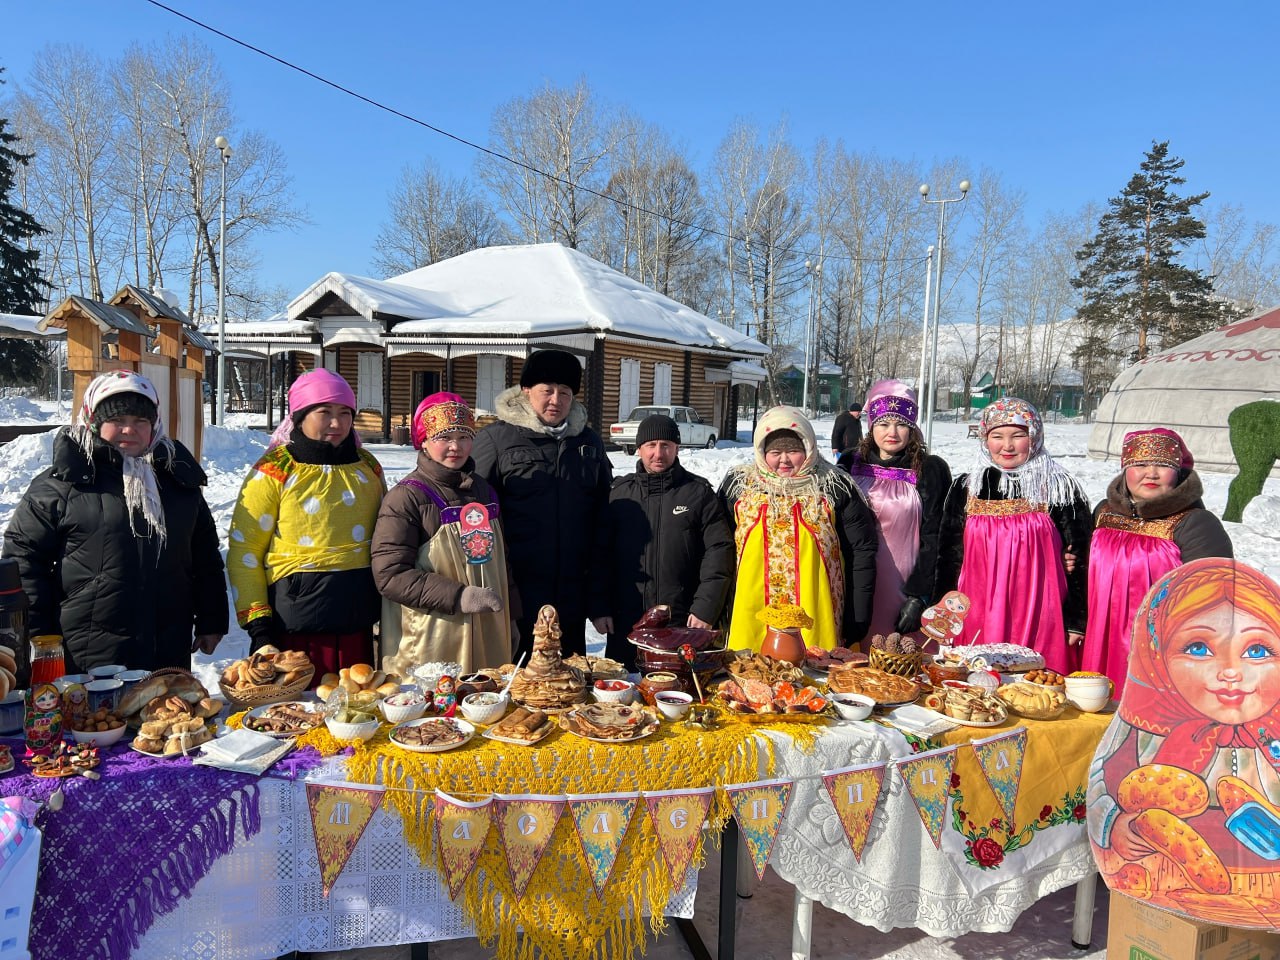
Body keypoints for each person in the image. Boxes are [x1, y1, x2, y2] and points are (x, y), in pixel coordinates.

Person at [1088, 559, 1280, 916]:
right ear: (1158, 656)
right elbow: (1103, 780)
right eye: (1198, 648)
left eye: (1257, 651)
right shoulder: (1145, 731)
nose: (1230, 672)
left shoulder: (1274, 737)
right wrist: (1113, 824)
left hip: (1267, 891)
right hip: (1165, 887)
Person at [3, 370, 227, 672]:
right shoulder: (62, 485)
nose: (128, 430)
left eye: (140, 421)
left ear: (154, 424)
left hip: (166, 648)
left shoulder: (178, 483)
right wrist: (41, 633)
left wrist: (211, 619)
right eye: (116, 420)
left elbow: (205, 558)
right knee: (95, 720)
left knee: (166, 717)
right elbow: (24, 559)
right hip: (86, 653)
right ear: (93, 422)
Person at [226, 369, 384, 677]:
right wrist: (258, 625)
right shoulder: (275, 469)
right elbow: (245, 550)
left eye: (344, 413)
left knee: (357, 706)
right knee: (300, 713)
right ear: (299, 417)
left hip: (358, 619)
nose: (337, 424)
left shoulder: (367, 467)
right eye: (324, 412)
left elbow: (386, 537)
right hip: (297, 624)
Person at [471, 349, 612, 658]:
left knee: (569, 682)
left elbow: (603, 514)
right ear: (526, 391)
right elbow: (474, 513)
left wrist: (597, 589)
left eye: (565, 392)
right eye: (547, 390)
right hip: (517, 591)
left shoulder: (588, 442)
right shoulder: (496, 439)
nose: (556, 400)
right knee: (519, 682)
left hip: (572, 592)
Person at [938, 397, 1091, 673]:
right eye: (997, 436)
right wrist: (945, 612)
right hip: (977, 608)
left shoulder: (1059, 487)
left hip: (1039, 609)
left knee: (1038, 690)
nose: (1007, 446)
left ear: (1034, 436)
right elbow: (949, 555)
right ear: (985, 439)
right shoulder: (967, 485)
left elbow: (1080, 558)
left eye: (1018, 435)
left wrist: (1075, 620)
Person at [371, 393, 516, 677]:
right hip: (431, 639)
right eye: (443, 437)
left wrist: (512, 619)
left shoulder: (484, 491)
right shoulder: (406, 497)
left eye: (464, 436)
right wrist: (459, 595)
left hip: (489, 632)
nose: (455, 446)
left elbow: (502, 561)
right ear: (423, 441)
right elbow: (390, 575)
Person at [1082, 428, 1233, 696]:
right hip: (1099, 640)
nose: (1150, 474)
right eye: (1139, 464)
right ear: (1125, 468)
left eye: (1162, 465)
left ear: (1178, 471)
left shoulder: (1196, 524)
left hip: (1159, 651)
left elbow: (1214, 600)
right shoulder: (1104, 512)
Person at [718, 406, 877, 652]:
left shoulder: (834, 486)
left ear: (808, 448)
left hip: (817, 611)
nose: (784, 460)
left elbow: (861, 551)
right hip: (749, 611)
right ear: (761, 451)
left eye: (793, 451)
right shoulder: (739, 486)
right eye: (775, 452)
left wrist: (858, 616)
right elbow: (717, 549)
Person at [599, 414, 734, 669]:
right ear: (639, 448)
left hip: (682, 622)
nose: (658, 453)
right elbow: (600, 556)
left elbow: (718, 552)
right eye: (650, 445)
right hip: (626, 621)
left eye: (666, 445)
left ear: (677, 448)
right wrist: (600, 607)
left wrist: (706, 608)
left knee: (680, 697)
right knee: (623, 700)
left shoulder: (699, 494)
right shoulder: (619, 496)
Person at [839, 380, 952, 637]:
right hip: (855, 582)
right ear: (871, 426)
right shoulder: (849, 463)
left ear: (912, 428)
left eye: (901, 424)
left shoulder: (929, 469)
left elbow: (935, 536)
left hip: (904, 586)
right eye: (884, 423)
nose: (892, 432)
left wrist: (920, 595)